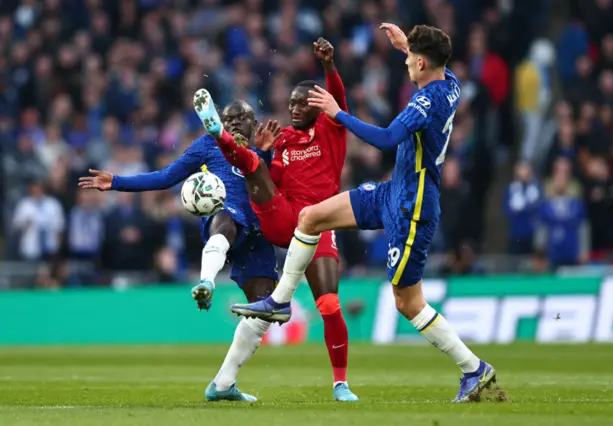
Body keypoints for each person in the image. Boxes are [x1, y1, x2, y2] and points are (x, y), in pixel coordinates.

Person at [231, 24, 496, 403]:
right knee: (311, 218)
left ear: (421, 63)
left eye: (408, 58)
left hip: (412, 205)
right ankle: (281, 301)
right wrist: (410, 44)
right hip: (392, 191)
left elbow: (387, 139)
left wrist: (338, 114)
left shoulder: (425, 102)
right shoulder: (449, 81)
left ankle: (474, 369)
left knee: (408, 303)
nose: (404, 61)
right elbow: (434, 64)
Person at [78, 100, 282, 402]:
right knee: (227, 219)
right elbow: (166, 176)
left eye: (243, 118)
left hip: (259, 231)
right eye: (228, 119)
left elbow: (278, 187)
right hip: (224, 215)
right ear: (219, 124)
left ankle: (223, 384)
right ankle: (207, 282)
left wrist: (267, 154)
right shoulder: (209, 145)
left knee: (264, 307)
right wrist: (117, 182)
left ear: (255, 124)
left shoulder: (266, 149)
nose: (235, 123)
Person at [192, 37, 358, 401]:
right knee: (254, 165)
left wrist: (329, 66)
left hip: (320, 220)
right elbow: (273, 183)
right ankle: (219, 133)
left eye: (301, 104)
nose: (293, 109)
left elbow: (339, 99)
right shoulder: (282, 141)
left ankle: (340, 384)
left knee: (329, 304)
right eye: (291, 104)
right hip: (283, 219)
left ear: (317, 105)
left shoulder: (333, 129)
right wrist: (265, 154)